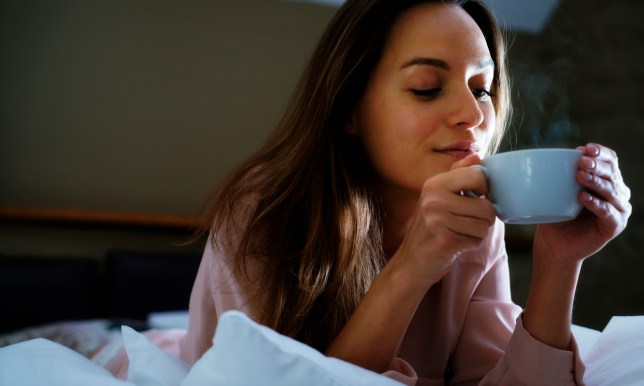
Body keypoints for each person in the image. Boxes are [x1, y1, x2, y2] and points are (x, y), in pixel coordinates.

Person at [114, 0, 632, 384]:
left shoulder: (479, 222)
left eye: (483, 89)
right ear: (349, 110)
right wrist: (413, 265)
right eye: (427, 87)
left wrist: (558, 263)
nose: (474, 116)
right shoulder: (266, 209)